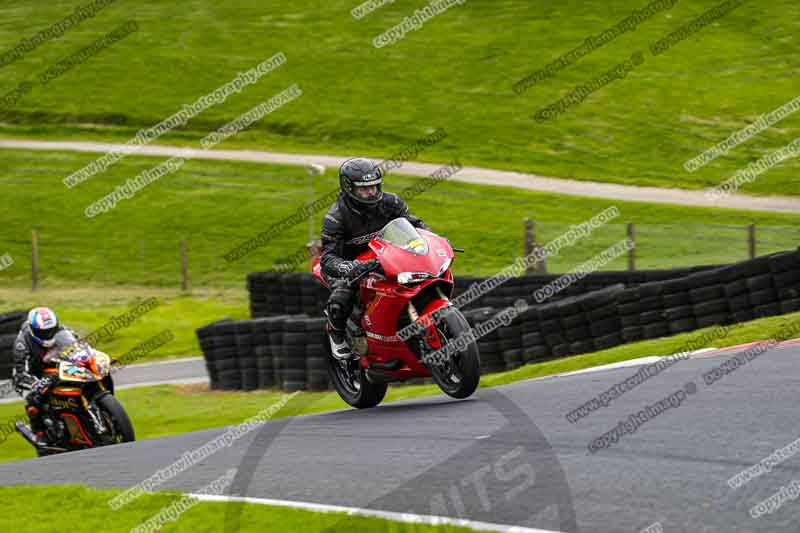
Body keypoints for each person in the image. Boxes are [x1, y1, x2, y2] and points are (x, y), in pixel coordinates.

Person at [321, 157, 429, 359]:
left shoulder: (391, 202)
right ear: (349, 188)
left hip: (384, 257)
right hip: (350, 265)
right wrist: (349, 268)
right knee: (343, 294)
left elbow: (414, 224)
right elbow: (328, 258)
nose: (371, 192)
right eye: (364, 188)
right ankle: (335, 332)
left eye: (374, 186)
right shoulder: (336, 217)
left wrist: (431, 240)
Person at [12, 307, 80, 446]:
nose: (48, 334)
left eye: (51, 330)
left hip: (56, 367)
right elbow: (20, 374)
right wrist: (36, 384)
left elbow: (80, 345)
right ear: (32, 329)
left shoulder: (62, 330)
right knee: (34, 399)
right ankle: (40, 434)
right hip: (30, 374)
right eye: (42, 332)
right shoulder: (22, 343)